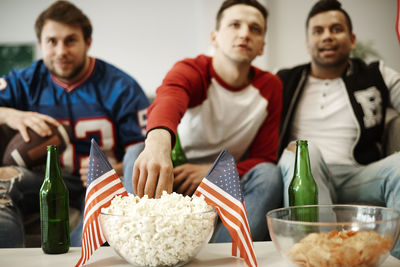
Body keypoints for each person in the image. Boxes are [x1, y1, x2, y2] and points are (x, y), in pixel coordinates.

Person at [128, 0, 283, 242]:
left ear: (262, 46)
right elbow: (169, 97)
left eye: (255, 29)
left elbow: (264, 157)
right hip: (177, 173)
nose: (244, 33)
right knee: (136, 151)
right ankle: (142, 241)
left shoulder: (271, 87)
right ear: (214, 37)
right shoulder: (193, 70)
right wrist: (157, 142)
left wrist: (215, 172)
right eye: (234, 25)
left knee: (269, 174)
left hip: (229, 177)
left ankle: (223, 253)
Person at [0, 0, 149, 247]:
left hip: (102, 181)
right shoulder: (25, 81)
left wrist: (116, 168)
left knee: (133, 161)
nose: (61, 51)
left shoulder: (121, 87)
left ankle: (81, 248)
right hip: (42, 179)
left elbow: (142, 152)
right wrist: (10, 115)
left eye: (70, 40)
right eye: (52, 41)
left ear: (87, 42)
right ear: (40, 44)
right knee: (4, 182)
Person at [277, 0, 400, 258]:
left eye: (336, 29)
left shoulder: (376, 74)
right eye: (318, 31)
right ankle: (318, 256)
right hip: (305, 171)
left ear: (352, 39)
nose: (327, 37)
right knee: (306, 150)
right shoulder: (285, 80)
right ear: (308, 43)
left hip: (359, 174)